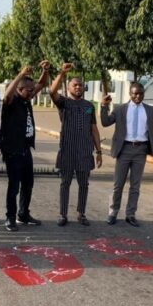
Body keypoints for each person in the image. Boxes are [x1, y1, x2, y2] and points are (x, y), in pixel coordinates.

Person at [100, 82, 153, 227]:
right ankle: (113, 212)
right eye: (135, 93)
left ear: (144, 94)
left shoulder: (150, 111)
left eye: (141, 93)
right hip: (124, 149)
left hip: (140, 151)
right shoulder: (120, 109)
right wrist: (103, 106)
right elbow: (105, 122)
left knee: (135, 186)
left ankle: (130, 214)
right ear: (130, 94)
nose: (138, 96)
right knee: (118, 184)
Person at [49, 63, 102, 227]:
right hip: (67, 150)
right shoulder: (64, 103)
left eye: (80, 85)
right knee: (65, 183)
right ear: (68, 88)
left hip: (85, 151)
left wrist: (99, 151)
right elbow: (52, 92)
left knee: (84, 184)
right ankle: (62, 214)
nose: (78, 87)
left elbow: (94, 129)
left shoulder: (89, 106)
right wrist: (62, 73)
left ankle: (81, 213)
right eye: (75, 85)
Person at [0, 61, 50, 231]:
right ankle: (10, 218)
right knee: (14, 186)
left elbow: (42, 83)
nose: (32, 92)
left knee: (28, 184)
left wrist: (45, 70)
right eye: (29, 90)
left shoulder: (26, 99)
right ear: (19, 90)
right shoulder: (10, 102)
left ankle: (23, 214)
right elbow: (6, 95)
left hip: (25, 149)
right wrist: (20, 75)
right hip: (12, 151)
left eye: (31, 89)